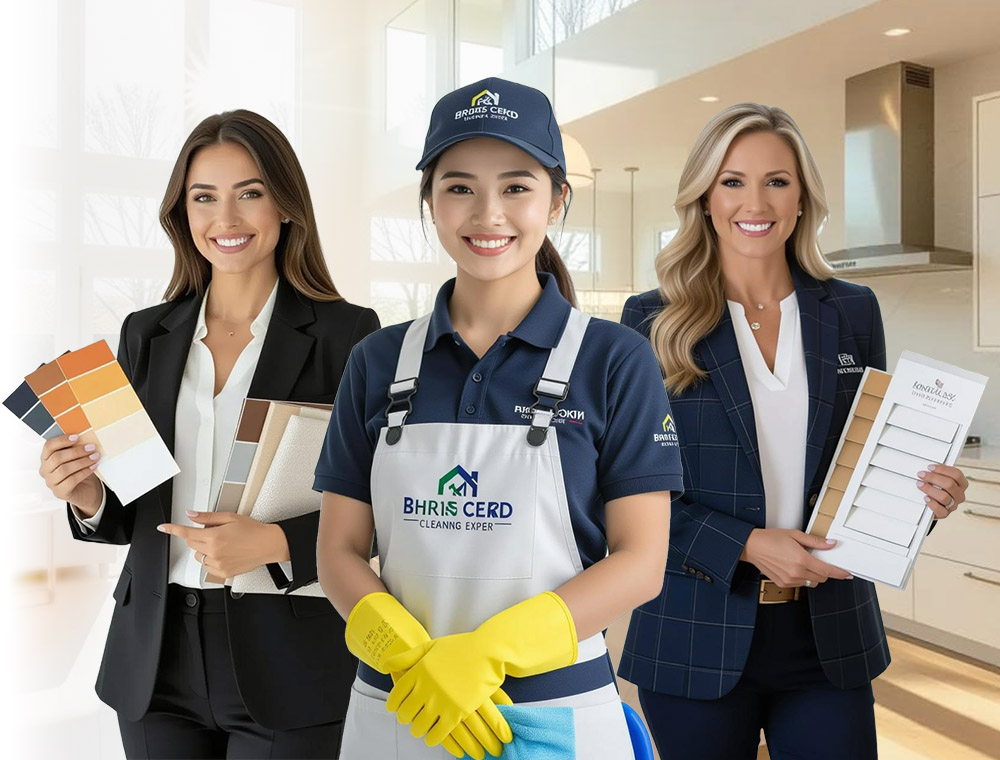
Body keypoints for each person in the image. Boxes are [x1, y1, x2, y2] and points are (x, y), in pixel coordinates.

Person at [314, 77, 683, 760]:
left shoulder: (614, 359)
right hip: (399, 708)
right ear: (429, 200)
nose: (488, 214)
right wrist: (405, 652)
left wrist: (491, 652)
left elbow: (642, 561)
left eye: (516, 187)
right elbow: (337, 551)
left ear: (557, 199)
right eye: (459, 187)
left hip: (551, 714)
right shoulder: (376, 361)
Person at [617, 102, 970, 760]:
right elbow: (628, 498)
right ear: (704, 196)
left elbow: (869, 461)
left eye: (776, 180)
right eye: (732, 180)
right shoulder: (650, 321)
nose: (756, 201)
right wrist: (748, 544)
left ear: (802, 196)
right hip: (695, 633)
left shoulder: (851, 310)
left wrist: (924, 495)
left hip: (828, 637)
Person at [38, 109, 380, 759]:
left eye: (249, 193)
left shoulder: (349, 335)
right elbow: (131, 511)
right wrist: (85, 498)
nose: (225, 218)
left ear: (285, 205)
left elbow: (385, 506)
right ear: (182, 214)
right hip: (154, 657)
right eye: (204, 198)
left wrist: (277, 541)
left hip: (292, 659)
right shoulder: (147, 333)